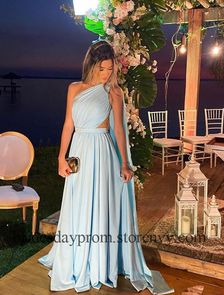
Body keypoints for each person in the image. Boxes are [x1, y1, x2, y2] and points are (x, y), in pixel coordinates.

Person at [38, 39, 174, 295]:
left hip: (102, 153)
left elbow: (120, 130)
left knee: (99, 205)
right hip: (79, 150)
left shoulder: (114, 92)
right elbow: (68, 124)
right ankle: (76, 258)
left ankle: (99, 264)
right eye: (102, 68)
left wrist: (124, 162)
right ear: (91, 65)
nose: (107, 73)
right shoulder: (74, 89)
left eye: (111, 69)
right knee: (78, 204)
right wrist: (60, 157)